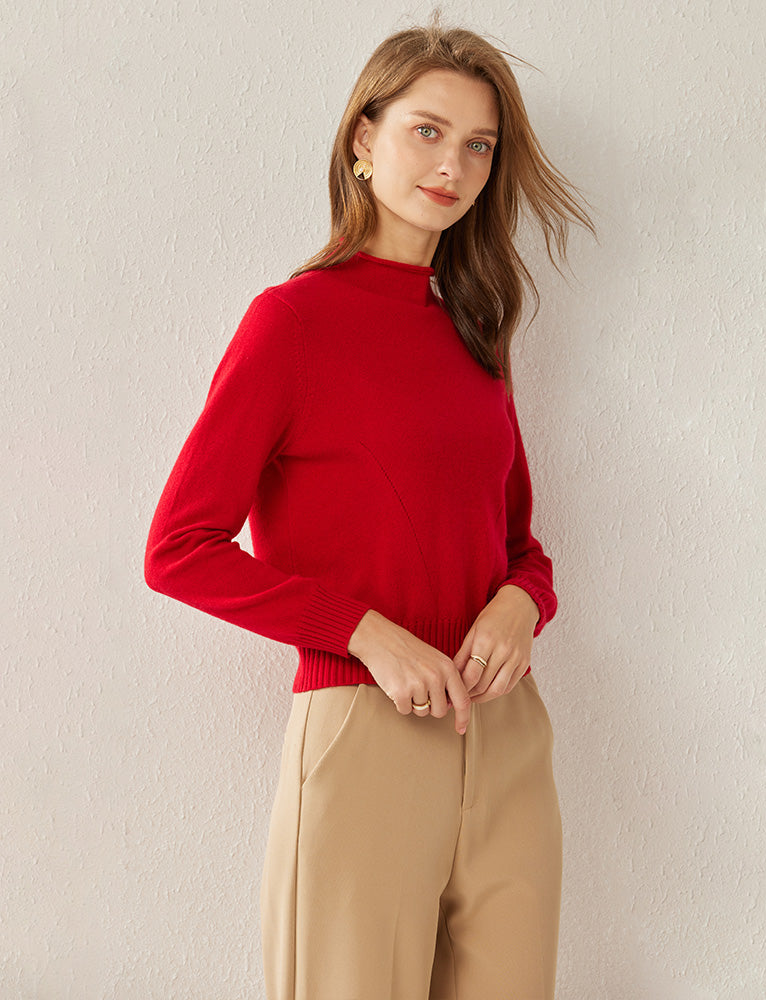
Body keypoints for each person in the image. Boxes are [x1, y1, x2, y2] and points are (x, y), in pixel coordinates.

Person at [144, 13, 596, 1000]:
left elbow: (519, 545)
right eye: (427, 130)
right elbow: (179, 547)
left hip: (507, 735)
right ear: (363, 137)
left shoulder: (474, 334)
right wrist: (362, 632)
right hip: (364, 728)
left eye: (478, 145)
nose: (453, 166)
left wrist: (521, 603)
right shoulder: (292, 323)